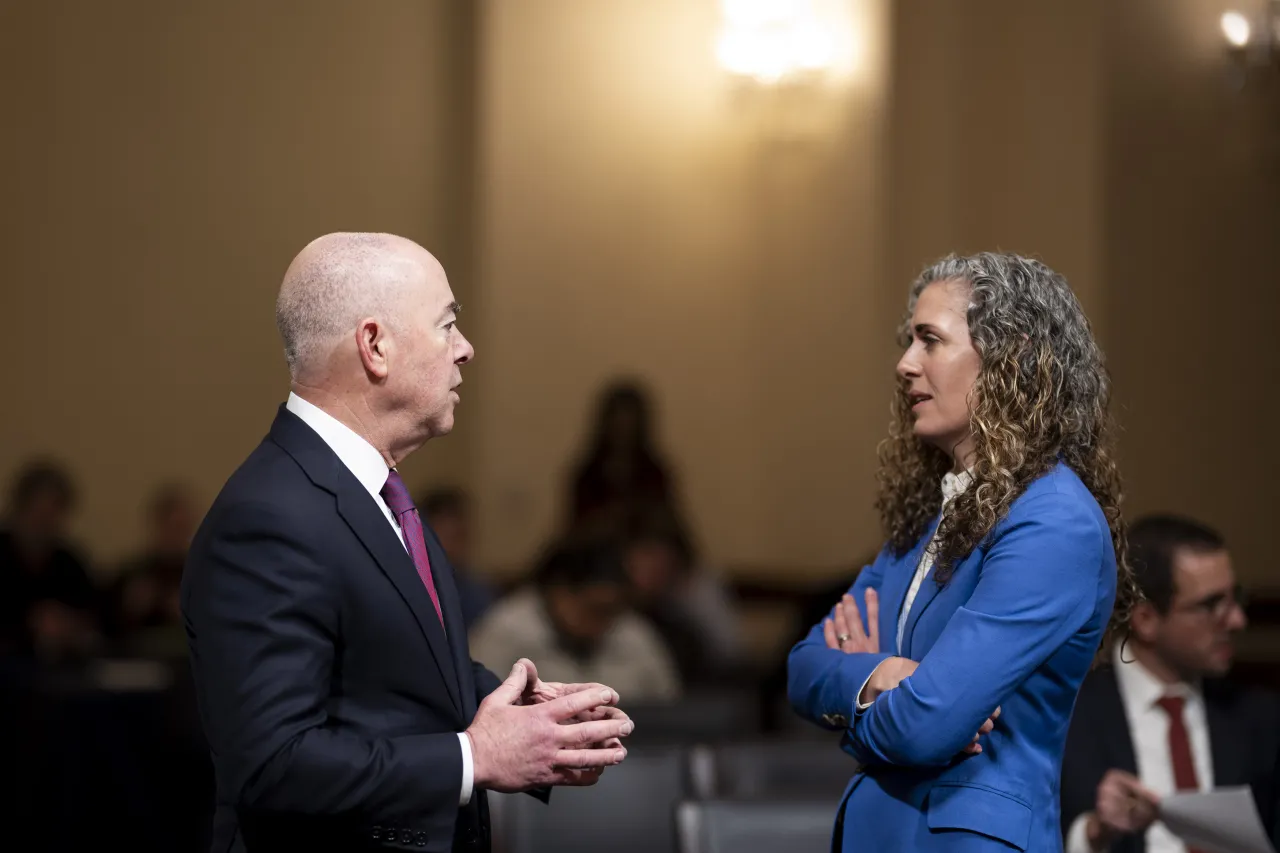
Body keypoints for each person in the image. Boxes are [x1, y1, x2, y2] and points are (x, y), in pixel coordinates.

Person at [181, 233, 633, 853]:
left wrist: (528, 721)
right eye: (447, 324)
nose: (466, 350)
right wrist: (475, 757)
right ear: (375, 346)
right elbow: (270, 763)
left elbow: (389, 672)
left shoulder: (370, 488)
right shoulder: (269, 516)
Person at [787, 252, 1135, 852]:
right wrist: (878, 678)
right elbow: (801, 668)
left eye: (930, 341)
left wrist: (859, 691)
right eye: (909, 341)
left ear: (1012, 357)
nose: (904, 364)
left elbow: (924, 729)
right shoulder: (935, 511)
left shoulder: (1054, 521)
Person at [1061, 515, 1280, 853]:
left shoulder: (1261, 718)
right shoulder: (1068, 715)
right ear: (1146, 620)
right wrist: (1094, 833)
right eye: (1211, 605)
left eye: (1234, 597)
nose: (1237, 620)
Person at [469, 535, 680, 702]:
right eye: (594, 609)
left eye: (611, 611)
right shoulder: (505, 632)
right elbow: (481, 710)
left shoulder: (633, 634)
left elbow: (668, 709)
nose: (601, 623)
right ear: (559, 593)